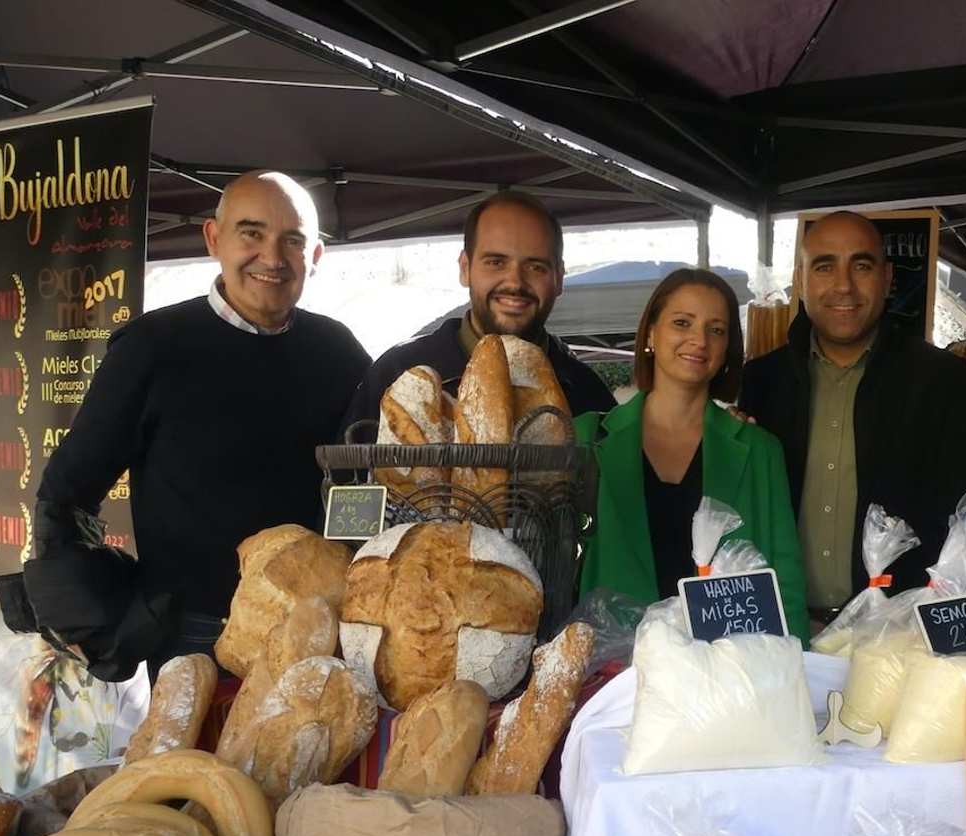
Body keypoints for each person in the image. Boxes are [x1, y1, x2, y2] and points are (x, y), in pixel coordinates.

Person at [34, 170, 370, 672]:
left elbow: (364, 480)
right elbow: (66, 493)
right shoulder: (152, 348)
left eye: (293, 241)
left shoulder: (340, 351)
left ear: (315, 257)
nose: (273, 258)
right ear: (214, 238)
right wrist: (93, 617)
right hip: (193, 636)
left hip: (318, 630)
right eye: (251, 233)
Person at [739, 211, 966, 622]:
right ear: (800, 281)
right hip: (782, 628)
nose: (843, 284)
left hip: (898, 632)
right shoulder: (762, 382)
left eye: (861, 265)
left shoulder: (942, 381)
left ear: (889, 278)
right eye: (824, 266)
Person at [576, 269, 808, 640]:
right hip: (614, 677)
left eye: (716, 329)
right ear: (651, 333)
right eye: (682, 322)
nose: (698, 339)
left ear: (727, 349)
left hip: (729, 677)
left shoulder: (761, 450)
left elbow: (787, 588)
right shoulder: (585, 438)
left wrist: (797, 677)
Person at [341, 192, 614, 437]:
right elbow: (346, 489)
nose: (514, 282)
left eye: (535, 267)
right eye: (496, 262)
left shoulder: (586, 391)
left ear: (559, 279)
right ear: (465, 268)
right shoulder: (397, 373)